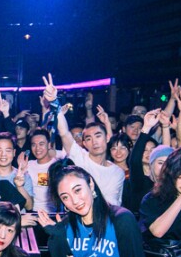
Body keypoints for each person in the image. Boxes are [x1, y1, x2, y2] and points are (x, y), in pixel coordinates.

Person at [48, 74, 125, 206]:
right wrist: (54, 102)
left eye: (98, 136)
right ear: (84, 143)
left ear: (107, 138)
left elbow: (115, 204)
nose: (94, 141)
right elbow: (65, 133)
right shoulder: (80, 158)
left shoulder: (117, 172)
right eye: (88, 138)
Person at [0, 132, 34, 210]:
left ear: (14, 152)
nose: (3, 154)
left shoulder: (24, 176)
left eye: (8, 151)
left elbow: (29, 207)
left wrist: (19, 186)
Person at [25, 128, 58, 213]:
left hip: (53, 213)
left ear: (49, 145)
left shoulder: (56, 165)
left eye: (41, 144)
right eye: (34, 145)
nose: (37, 148)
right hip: (33, 212)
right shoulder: (28, 165)